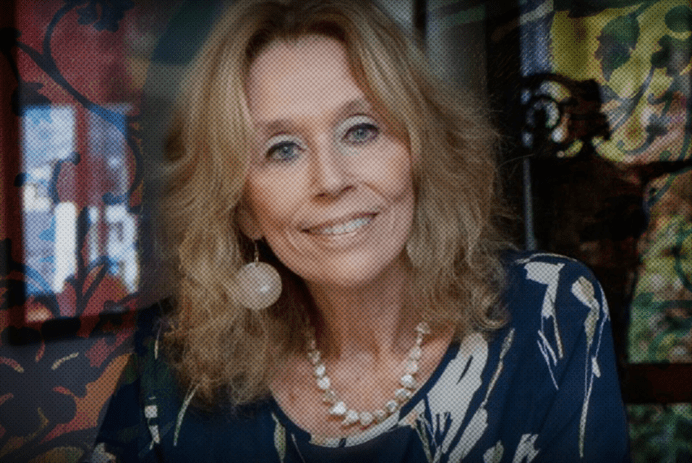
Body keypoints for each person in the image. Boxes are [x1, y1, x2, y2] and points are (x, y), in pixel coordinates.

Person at [92, 0, 631, 461]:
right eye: (282, 149)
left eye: (360, 130)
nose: (330, 180)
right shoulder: (170, 363)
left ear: (419, 153)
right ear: (243, 207)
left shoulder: (549, 312)